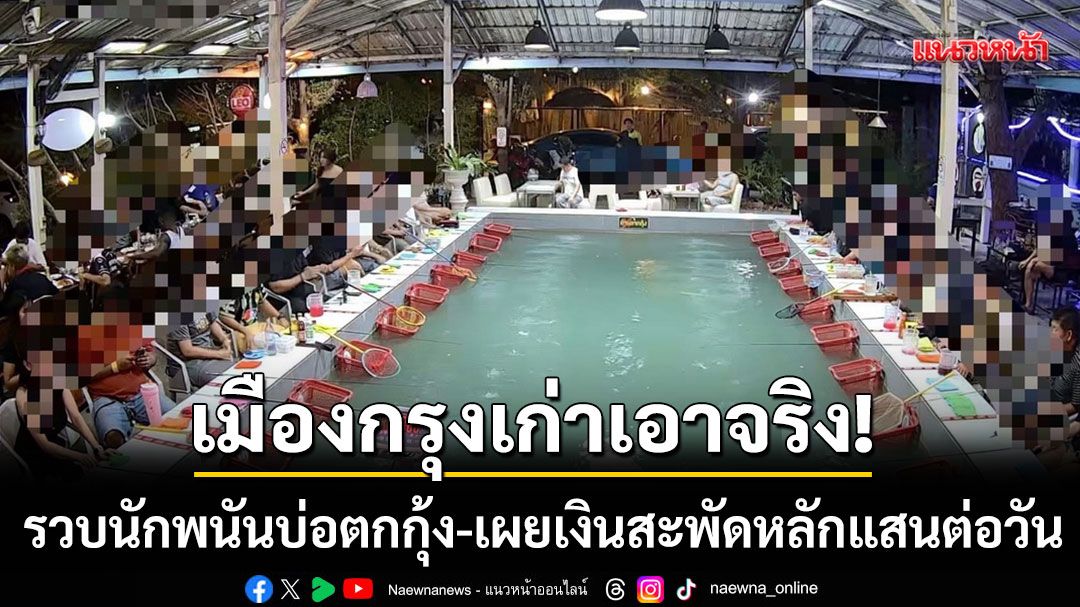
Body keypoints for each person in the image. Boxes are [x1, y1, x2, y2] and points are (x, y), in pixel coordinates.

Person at [85, 338, 178, 449]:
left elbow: (151, 352)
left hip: (140, 391)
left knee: (177, 418)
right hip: (106, 398)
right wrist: (115, 367)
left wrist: (149, 359)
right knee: (113, 439)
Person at [1019, 213, 1080, 314]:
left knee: (1034, 265)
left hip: (1064, 270)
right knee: (1030, 269)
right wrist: (1028, 260)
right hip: (1052, 264)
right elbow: (1040, 249)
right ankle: (1028, 304)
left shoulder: (1066, 237)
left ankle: (1029, 304)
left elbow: (1061, 257)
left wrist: (1035, 260)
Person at [165, 312, 235, 390]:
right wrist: (220, 354)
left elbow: (212, 322)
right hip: (186, 363)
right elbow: (187, 351)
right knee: (225, 380)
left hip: (208, 354)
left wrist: (224, 339)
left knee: (236, 371)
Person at [218, 286, 288, 353]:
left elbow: (262, 302)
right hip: (236, 331)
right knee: (261, 343)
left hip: (254, 325)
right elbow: (223, 316)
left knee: (281, 332)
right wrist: (246, 332)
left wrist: (280, 317)